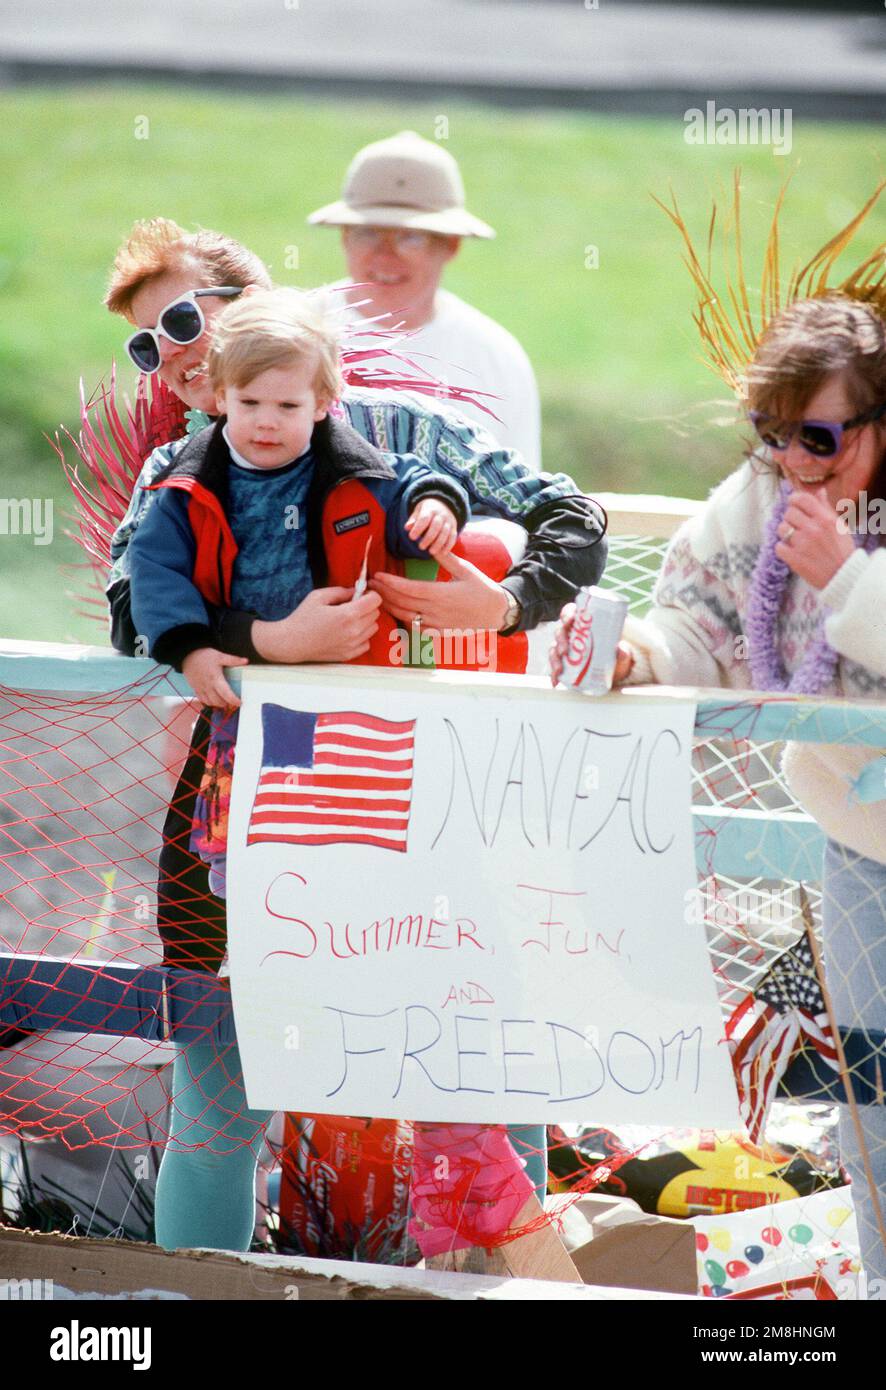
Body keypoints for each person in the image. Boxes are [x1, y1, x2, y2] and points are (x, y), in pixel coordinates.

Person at [102, 217, 607, 974]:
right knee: (201, 960)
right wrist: (268, 640)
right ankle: (219, 1097)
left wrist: (501, 606)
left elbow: (575, 519)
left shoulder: (401, 429)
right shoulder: (177, 469)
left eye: (180, 321)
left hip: (405, 762)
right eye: (147, 344)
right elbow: (127, 610)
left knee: (406, 969)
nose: (168, 356)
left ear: (252, 304)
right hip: (242, 758)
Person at [552, 224, 886, 1291]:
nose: (792, 459)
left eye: (820, 438)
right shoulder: (759, 496)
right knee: (868, 1098)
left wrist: (845, 581)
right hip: (859, 842)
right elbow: (695, 618)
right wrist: (634, 656)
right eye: (770, 431)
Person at [308, 130, 542, 469]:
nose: (384, 255)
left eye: (410, 237)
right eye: (367, 232)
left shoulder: (495, 357)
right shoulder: (292, 330)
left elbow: (519, 493)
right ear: (344, 237)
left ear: (450, 246)